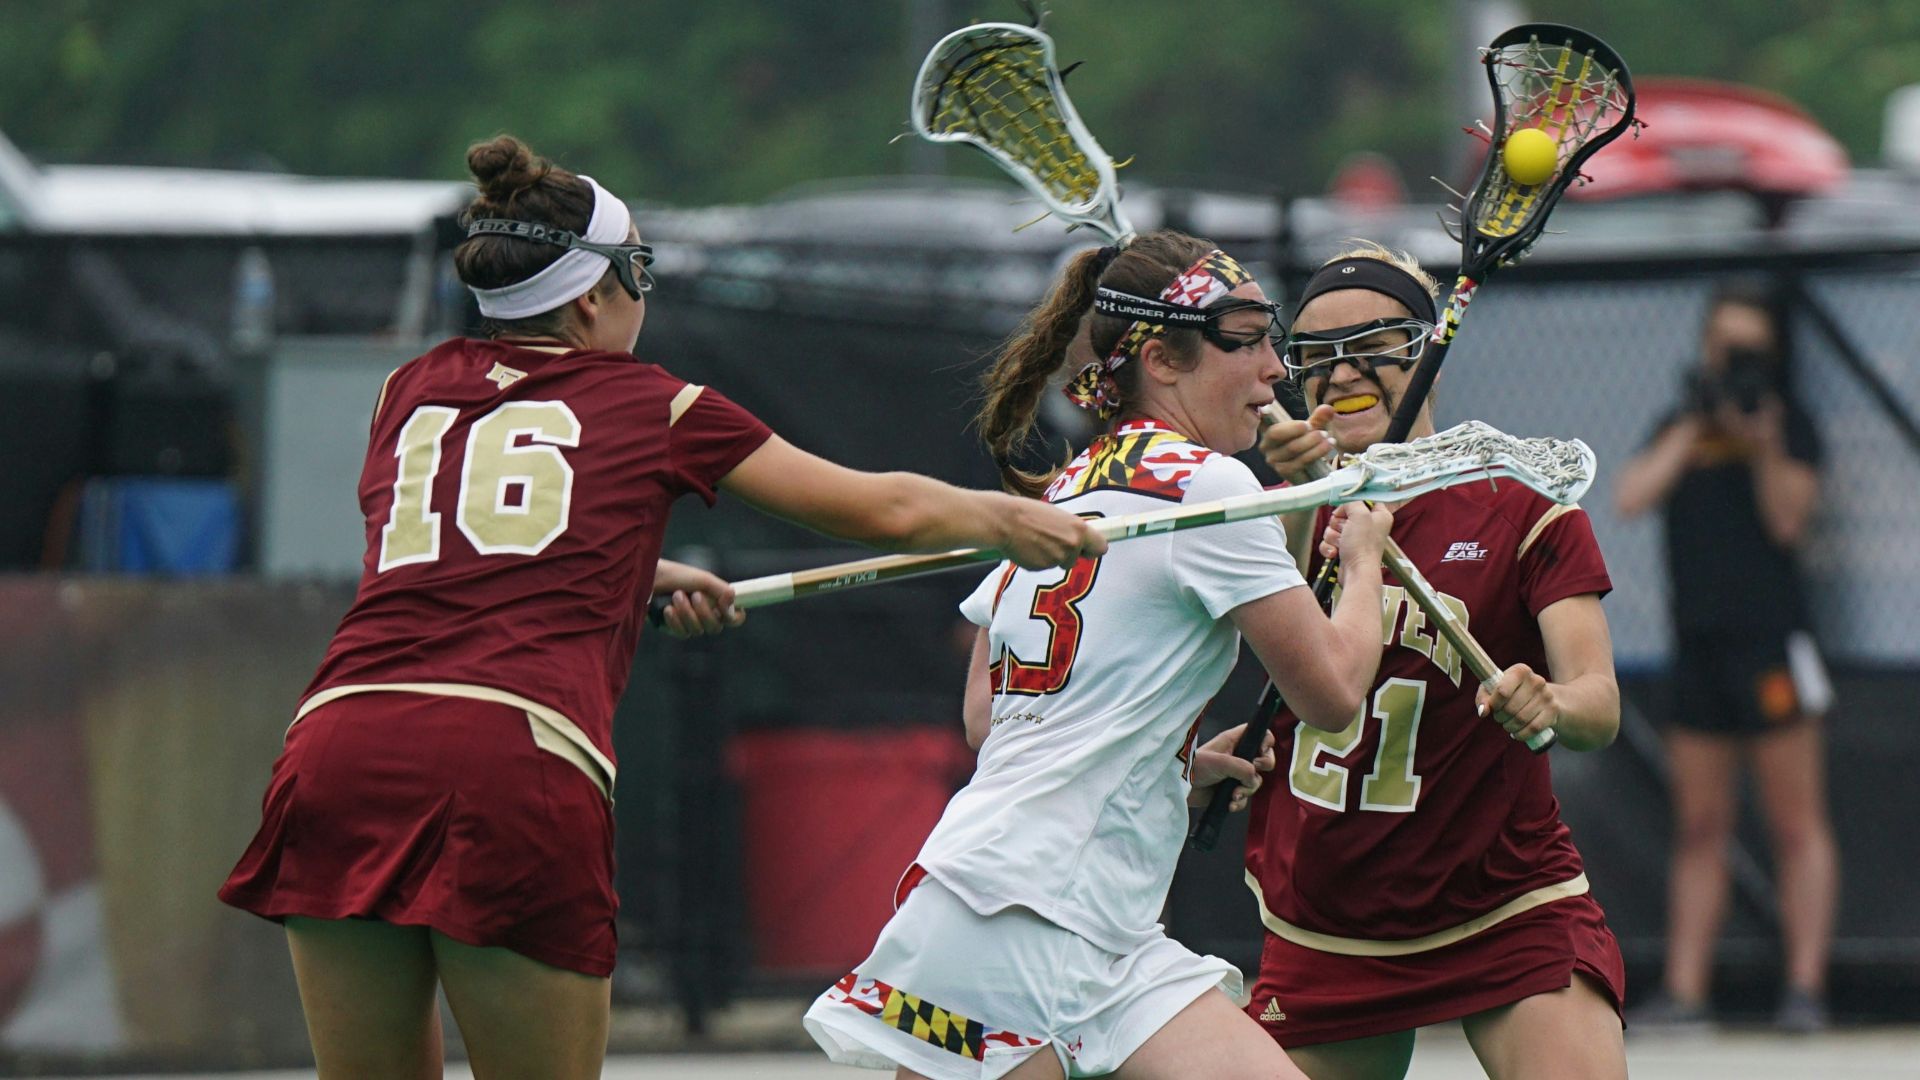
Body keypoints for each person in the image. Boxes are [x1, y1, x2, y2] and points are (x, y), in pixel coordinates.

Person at [217, 135, 1108, 1080]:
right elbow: (878, 506)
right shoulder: (658, 404)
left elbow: (460, 554)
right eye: (639, 267)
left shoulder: (406, 391)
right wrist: (1011, 520)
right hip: (507, 759)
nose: (646, 292)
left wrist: (637, 572)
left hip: (339, 745)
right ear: (591, 295)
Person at [803, 229, 1396, 1080]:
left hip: (1106, 938)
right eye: (1249, 341)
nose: (1277, 370)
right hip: (1005, 924)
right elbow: (1335, 693)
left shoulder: (1065, 489)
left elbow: (990, 718)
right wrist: (1365, 548)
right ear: (1162, 359)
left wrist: (1171, 764)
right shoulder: (1208, 486)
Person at [1244, 242, 1627, 1080]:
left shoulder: (1521, 507)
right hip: (1327, 917)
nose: (1343, 375)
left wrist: (1551, 705)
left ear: (1427, 352)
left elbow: (1598, 706)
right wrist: (1307, 509)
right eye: (1316, 356)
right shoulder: (1265, 522)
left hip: (1503, 902)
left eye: (1372, 346)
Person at [1613, 282, 1838, 1033]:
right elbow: (1629, 497)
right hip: (1697, 647)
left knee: (1794, 822)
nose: (1733, 360)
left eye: (1748, 349)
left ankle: (1804, 988)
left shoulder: (1788, 425)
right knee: (1699, 824)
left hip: (1771, 644)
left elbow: (1787, 520)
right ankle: (1686, 991)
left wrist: (1762, 441)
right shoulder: (1680, 424)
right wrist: (1695, 428)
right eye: (1723, 346)